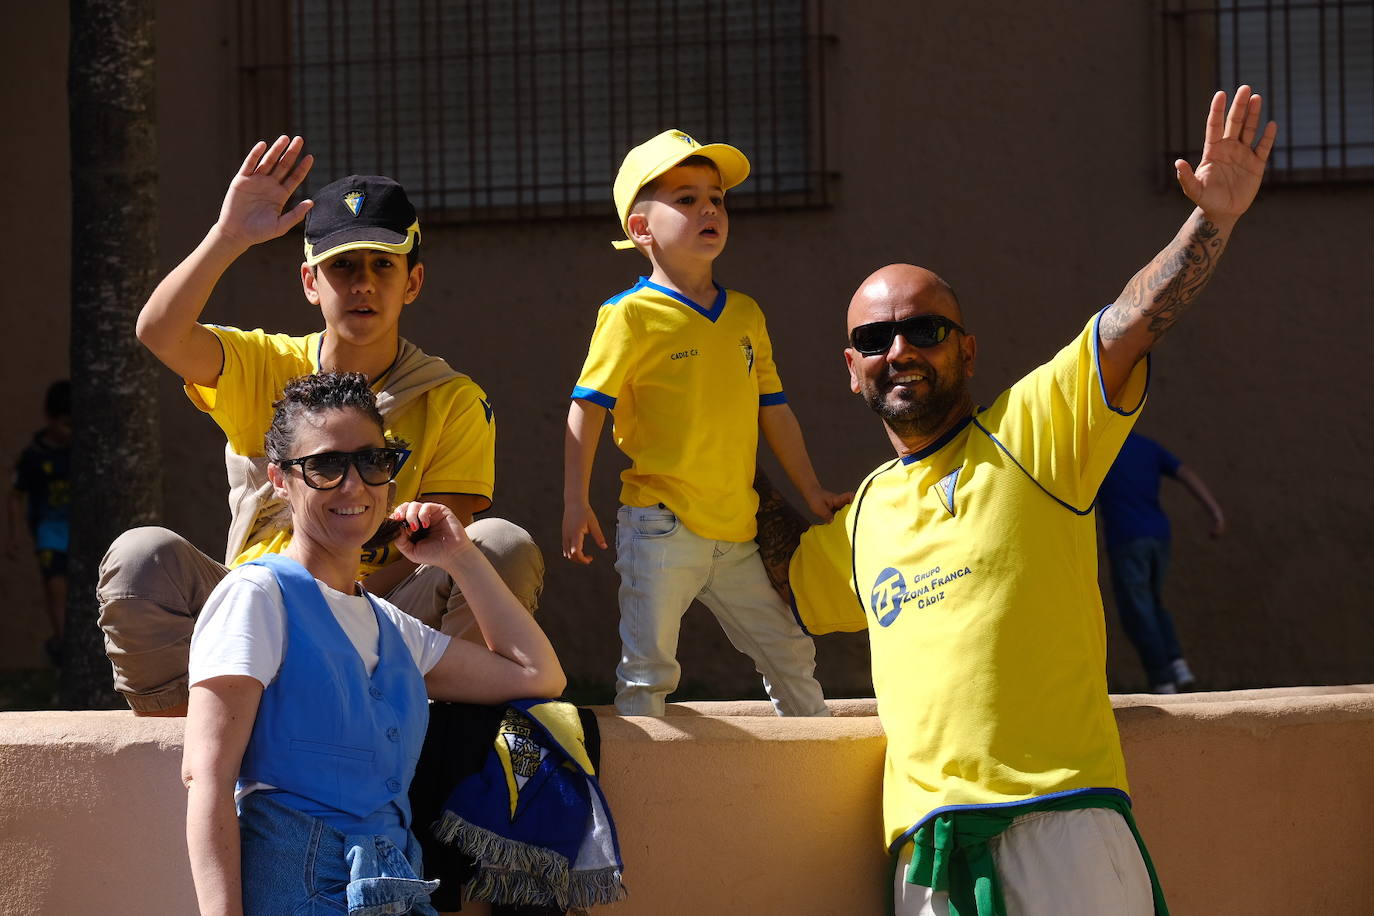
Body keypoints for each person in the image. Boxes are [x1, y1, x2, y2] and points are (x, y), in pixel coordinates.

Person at [754, 87, 1275, 914]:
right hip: (927, 853)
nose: (898, 350)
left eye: (924, 330)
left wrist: (1212, 220)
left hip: (1064, 825)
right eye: (873, 339)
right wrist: (709, 446)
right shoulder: (863, 517)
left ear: (966, 349)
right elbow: (787, 582)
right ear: (849, 367)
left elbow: (1130, 324)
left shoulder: (1033, 433)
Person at [98, 137, 544, 716]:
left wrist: (337, 615)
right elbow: (160, 331)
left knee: (500, 547)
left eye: (383, 265)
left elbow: (440, 544)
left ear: (413, 282)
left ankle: (437, 736)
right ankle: (194, 730)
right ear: (310, 283)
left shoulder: (453, 399)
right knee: (141, 556)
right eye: (342, 266)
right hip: (258, 619)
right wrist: (229, 236)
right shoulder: (265, 364)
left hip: (387, 630)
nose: (363, 284)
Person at [181, 371, 565, 916]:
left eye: (373, 462)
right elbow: (206, 777)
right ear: (280, 479)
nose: (353, 485)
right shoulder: (257, 595)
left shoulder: (389, 624)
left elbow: (537, 676)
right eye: (325, 465)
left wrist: (459, 555)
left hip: (394, 887)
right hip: (297, 887)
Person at [561, 129, 850, 717]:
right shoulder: (627, 315)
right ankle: (640, 797)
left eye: (716, 197)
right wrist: (575, 500)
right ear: (641, 230)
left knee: (790, 651)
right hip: (659, 525)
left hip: (736, 529)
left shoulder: (745, 312)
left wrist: (811, 490)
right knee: (648, 673)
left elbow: (775, 408)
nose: (709, 208)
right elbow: (586, 406)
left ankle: (817, 773)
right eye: (686, 199)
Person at [1098, 432, 1225, 693]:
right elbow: (1185, 472)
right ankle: (1177, 663)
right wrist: (1215, 512)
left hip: (1127, 538)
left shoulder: (1101, 447)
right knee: (1153, 604)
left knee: (1137, 612)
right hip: (1159, 537)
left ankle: (1162, 679)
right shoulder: (1147, 446)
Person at [8, 380, 72, 664]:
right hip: (50, 531)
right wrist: (12, 536)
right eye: (65, 425)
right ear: (50, 419)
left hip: (80, 528)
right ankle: (62, 642)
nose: (70, 432)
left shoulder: (83, 450)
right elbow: (14, 496)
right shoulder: (34, 456)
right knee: (56, 585)